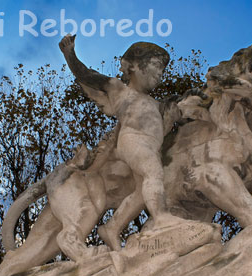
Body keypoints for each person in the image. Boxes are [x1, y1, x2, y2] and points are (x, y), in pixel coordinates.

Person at [59, 34, 191, 250]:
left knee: (142, 193)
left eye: (163, 69)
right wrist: (69, 54)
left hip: (151, 147)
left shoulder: (156, 104)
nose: (160, 73)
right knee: (153, 173)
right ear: (133, 66)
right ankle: (161, 218)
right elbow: (87, 75)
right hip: (133, 140)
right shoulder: (119, 89)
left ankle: (112, 227)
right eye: (156, 65)